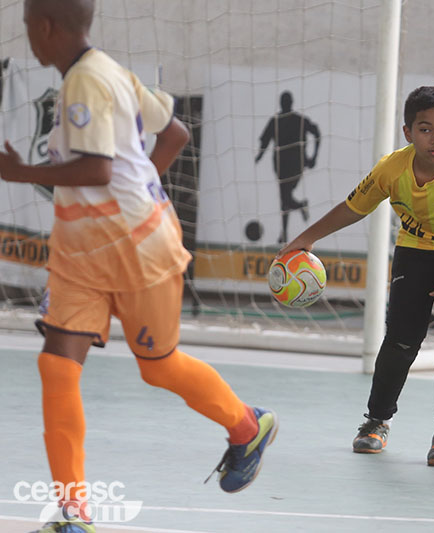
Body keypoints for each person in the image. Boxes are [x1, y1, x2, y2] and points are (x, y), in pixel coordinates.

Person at [0, 1, 278, 531]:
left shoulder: (87, 81)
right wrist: (144, 185)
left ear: (44, 27)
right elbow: (175, 135)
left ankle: (248, 426)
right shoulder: (113, 72)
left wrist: (17, 173)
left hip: (140, 250)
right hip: (79, 255)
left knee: (159, 368)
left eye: (27, 28)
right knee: (56, 366)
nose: (28, 39)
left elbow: (99, 169)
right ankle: (74, 513)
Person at [281, 86, 434, 466]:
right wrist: (306, 238)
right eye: (425, 129)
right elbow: (353, 207)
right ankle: (376, 422)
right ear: (408, 132)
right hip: (418, 249)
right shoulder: (391, 168)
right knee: (401, 339)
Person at [255, 90, 321, 244]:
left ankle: (289, 224)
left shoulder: (299, 120)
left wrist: (314, 157)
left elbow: (317, 133)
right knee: (285, 197)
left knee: (284, 196)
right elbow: (265, 141)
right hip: (282, 164)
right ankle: (286, 228)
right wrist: (259, 156)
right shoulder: (276, 120)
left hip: (295, 163)